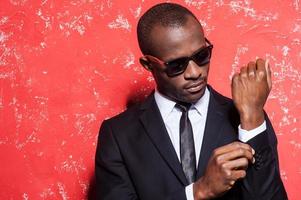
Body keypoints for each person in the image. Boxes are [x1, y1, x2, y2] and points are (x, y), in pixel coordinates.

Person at [95, 3, 287, 200]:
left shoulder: (249, 117)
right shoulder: (118, 135)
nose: (195, 73)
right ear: (148, 65)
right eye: (177, 64)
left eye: (201, 55)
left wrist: (252, 118)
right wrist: (198, 191)